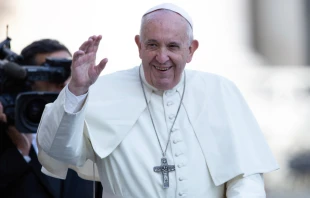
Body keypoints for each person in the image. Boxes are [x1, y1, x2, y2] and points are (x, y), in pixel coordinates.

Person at [37, 3, 279, 198]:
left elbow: (246, 176)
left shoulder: (221, 92)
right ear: (139, 46)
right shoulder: (100, 91)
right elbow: (58, 152)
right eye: (152, 45)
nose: (162, 57)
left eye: (173, 46)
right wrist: (76, 90)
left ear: (191, 50)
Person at [0, 39, 102, 197]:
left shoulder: (90, 136)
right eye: (52, 73)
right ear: (27, 80)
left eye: (69, 71)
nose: (62, 81)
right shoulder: (6, 132)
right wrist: (21, 152)